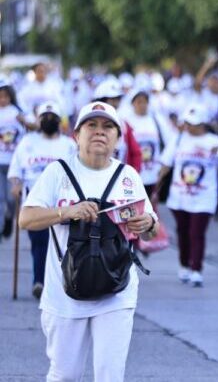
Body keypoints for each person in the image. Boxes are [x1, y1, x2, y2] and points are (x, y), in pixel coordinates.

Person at [18, 101, 158, 382]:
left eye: (108, 127)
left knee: (110, 375)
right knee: (65, 375)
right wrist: (66, 211)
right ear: (76, 135)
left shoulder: (128, 176)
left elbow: (151, 230)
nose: (99, 132)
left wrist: (149, 223)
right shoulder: (57, 172)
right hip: (64, 292)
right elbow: (26, 219)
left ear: (118, 138)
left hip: (117, 290)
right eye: (91, 126)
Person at [9, 101, 77, 299]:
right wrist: (16, 184)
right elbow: (16, 170)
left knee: (61, 243)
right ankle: (39, 281)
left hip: (63, 203)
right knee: (39, 242)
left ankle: (62, 281)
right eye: (44, 117)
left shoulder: (69, 145)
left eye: (53, 117)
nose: (48, 120)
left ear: (59, 121)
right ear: (38, 121)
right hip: (34, 202)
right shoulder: (27, 142)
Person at [156, 104, 218, 287]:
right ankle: (184, 265)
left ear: (203, 123)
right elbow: (166, 165)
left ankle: (196, 269)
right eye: (187, 123)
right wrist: (156, 189)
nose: (189, 127)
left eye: (193, 123)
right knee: (183, 232)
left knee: (197, 232)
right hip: (179, 196)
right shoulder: (178, 140)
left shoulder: (215, 142)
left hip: (204, 196)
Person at [121, 89, 175, 199]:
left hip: (154, 173)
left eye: (145, 101)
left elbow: (171, 141)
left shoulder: (157, 119)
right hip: (132, 174)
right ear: (132, 103)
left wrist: (164, 163)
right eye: (139, 102)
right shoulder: (125, 121)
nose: (142, 105)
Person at [92, 78, 143, 172]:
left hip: (119, 180)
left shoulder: (123, 124)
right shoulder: (86, 123)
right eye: (112, 99)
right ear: (101, 100)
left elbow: (136, 153)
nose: (116, 103)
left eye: (118, 99)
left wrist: (133, 176)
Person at [0, 78, 25, 238]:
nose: (3, 99)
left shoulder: (17, 113)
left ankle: (9, 219)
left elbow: (26, 133)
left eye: (5, 96)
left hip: (13, 163)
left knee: (10, 199)